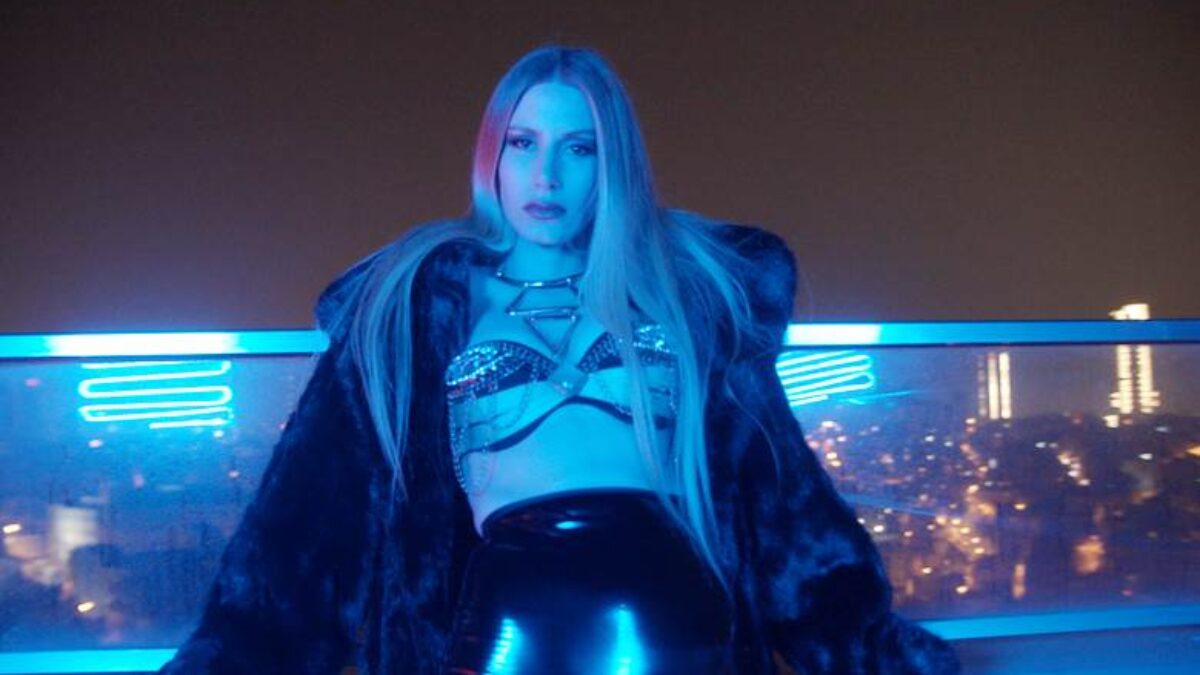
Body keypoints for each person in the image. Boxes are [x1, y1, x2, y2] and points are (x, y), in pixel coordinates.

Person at [160, 46, 959, 674]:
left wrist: (877, 650)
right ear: (492, 154)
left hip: (687, 646)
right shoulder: (410, 308)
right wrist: (231, 656)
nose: (546, 175)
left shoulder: (687, 299)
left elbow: (788, 513)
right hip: (507, 645)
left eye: (580, 148)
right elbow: (306, 533)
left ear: (615, 166)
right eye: (523, 143)